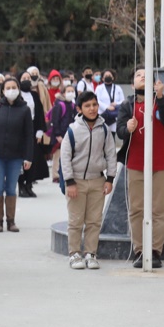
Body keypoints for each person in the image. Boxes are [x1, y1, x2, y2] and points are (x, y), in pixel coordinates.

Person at [117, 69, 164, 268]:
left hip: (161, 161)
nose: (142, 76)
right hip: (135, 162)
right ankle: (140, 250)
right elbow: (120, 131)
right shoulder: (127, 105)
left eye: (145, 74)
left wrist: (160, 97)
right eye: (137, 74)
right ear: (132, 84)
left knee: (159, 208)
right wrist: (128, 128)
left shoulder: (162, 101)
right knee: (136, 209)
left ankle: (155, 251)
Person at [60, 92, 116, 270]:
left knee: (94, 221)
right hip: (76, 182)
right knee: (76, 220)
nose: (92, 109)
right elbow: (65, 157)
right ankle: (74, 253)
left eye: (94, 104)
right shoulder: (72, 130)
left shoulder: (104, 129)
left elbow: (111, 153)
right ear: (79, 109)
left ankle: (91, 253)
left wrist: (110, 179)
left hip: (97, 180)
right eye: (87, 106)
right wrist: (69, 182)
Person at [0, 78, 34, 233]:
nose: (11, 90)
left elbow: (28, 135)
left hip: (15, 157)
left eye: (14, 87)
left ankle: (11, 221)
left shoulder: (24, 109)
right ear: (2, 90)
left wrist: (28, 157)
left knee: (11, 188)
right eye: (8, 87)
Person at [47, 84, 78, 179]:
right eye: (68, 91)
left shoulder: (73, 105)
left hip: (69, 133)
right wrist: (57, 135)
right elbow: (55, 121)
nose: (71, 93)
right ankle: (56, 175)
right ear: (63, 93)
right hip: (60, 135)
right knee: (58, 155)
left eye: (72, 91)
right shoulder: (59, 105)